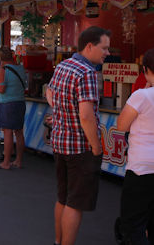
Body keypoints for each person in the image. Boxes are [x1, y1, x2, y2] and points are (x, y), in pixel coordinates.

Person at [45, 26, 110, 245]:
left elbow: (49, 91)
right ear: (90, 47)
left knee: (63, 198)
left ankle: (58, 240)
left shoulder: (64, 65)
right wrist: (96, 146)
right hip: (80, 148)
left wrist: (62, 110)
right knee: (75, 204)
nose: (107, 53)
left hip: (60, 143)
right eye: (104, 48)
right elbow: (86, 116)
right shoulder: (87, 72)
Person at [116, 48, 154, 244]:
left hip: (142, 168)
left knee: (133, 223)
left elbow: (121, 125)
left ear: (146, 70)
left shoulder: (142, 96)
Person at [0, 46, 27, 170]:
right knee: (19, 132)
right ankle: (19, 160)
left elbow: (1, 89)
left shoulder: (4, 70)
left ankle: (6, 162)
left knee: (8, 132)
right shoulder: (20, 68)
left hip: (7, 104)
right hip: (20, 102)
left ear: (0, 58)